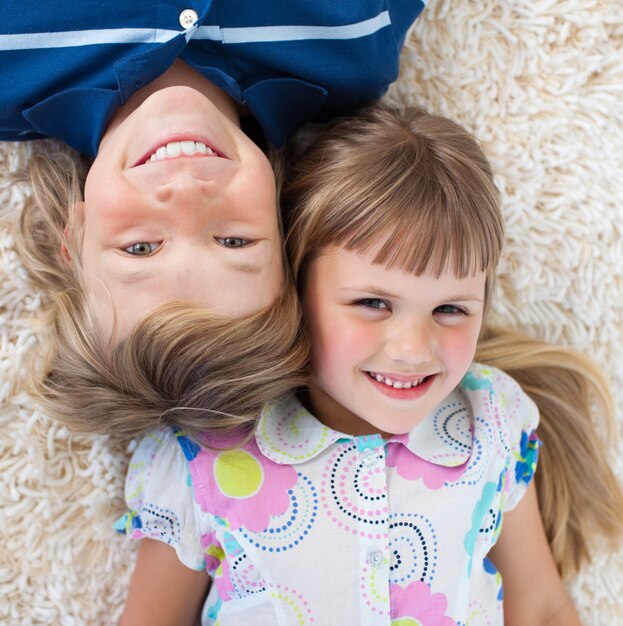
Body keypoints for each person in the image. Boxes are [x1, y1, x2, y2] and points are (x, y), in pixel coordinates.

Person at [116, 104, 623, 625]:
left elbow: (539, 607)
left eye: (450, 309)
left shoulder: (490, 420)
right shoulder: (207, 449)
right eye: (373, 303)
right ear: (295, 285)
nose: (412, 348)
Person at [4, 1, 425, 343]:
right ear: (284, 225)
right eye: (234, 241)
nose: (187, 193)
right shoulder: (355, 48)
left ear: (74, 235)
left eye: (141, 248)